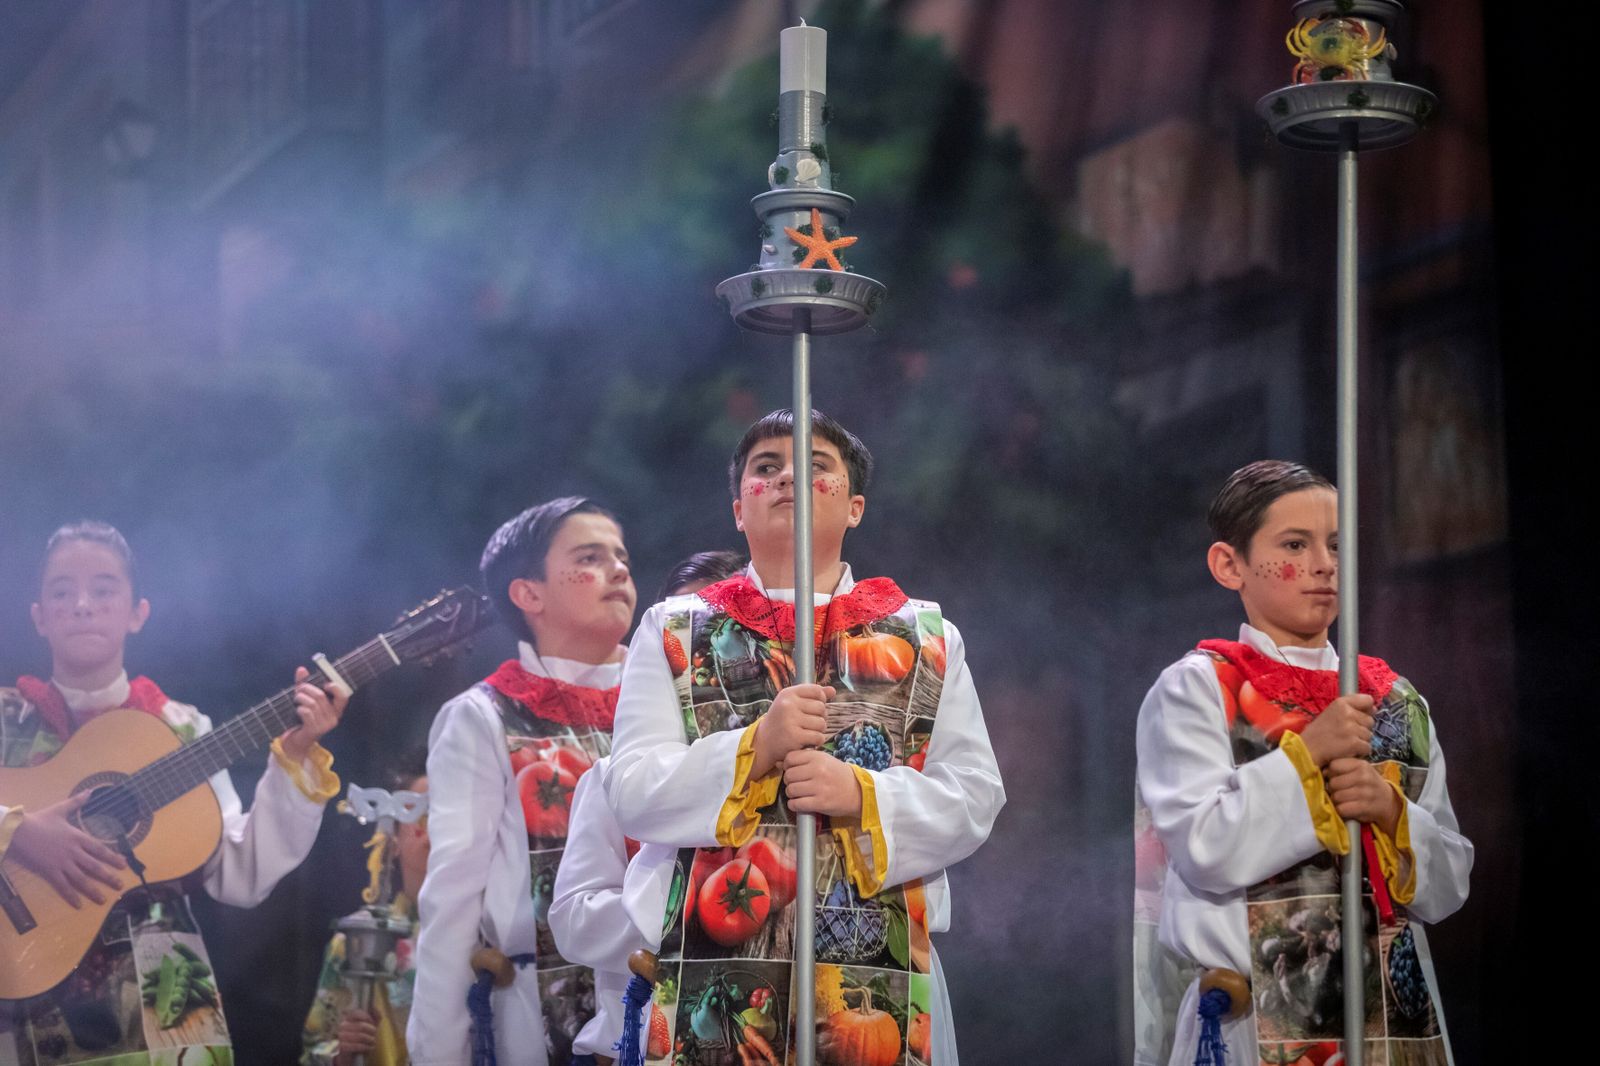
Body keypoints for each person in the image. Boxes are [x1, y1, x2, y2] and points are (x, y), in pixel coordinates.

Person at [605, 410, 1005, 1066]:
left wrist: (861, 793)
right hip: (706, 972)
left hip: (879, 977)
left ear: (855, 507)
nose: (789, 475)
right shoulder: (674, 630)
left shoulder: (926, 637)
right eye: (766, 469)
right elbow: (631, 791)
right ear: (739, 510)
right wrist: (753, 747)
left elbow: (975, 797)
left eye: (816, 466)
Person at [1133, 461, 1474, 1066]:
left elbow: (1448, 887)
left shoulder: (1396, 700)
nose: (1324, 564)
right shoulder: (1199, 689)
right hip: (1255, 1015)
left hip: (1394, 1017)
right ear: (1228, 564)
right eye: (1295, 544)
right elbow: (1207, 848)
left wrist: (1392, 811)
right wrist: (1307, 754)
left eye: (1337, 546)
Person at [0, 520, 347, 1065]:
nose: (83, 605)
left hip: (165, 996)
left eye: (104, 590)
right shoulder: (6, 721)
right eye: (62, 592)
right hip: (20, 978)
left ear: (137, 612)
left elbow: (240, 873)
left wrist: (296, 754)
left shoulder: (179, 729)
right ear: (39, 617)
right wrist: (17, 832)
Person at [408, 497, 637, 1066]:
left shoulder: (666, 704)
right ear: (528, 593)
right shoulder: (484, 716)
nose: (619, 569)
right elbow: (452, 901)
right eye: (590, 556)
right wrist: (437, 1052)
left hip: (661, 998)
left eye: (621, 556)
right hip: (533, 1013)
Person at [548, 551, 746, 1066]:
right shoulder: (615, 777)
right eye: (675, 628)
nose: (688, 651)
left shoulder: (791, 772)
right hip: (630, 1046)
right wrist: (683, 919)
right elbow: (572, 919)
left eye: (709, 627)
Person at [302, 748, 430, 1066]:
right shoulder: (356, 941)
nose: (434, 830)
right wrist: (344, 1052)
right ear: (394, 839)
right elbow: (314, 1053)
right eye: (419, 814)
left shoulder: (489, 931)